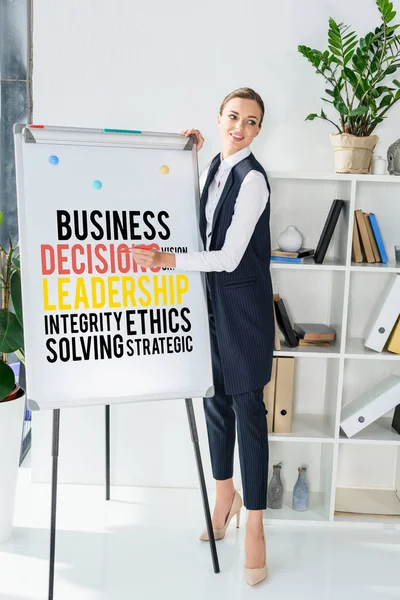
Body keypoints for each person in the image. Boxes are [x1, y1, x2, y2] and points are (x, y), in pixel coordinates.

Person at [133, 88, 274, 587]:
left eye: (250, 122)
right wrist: (190, 154)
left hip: (244, 314)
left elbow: (229, 256)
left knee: (249, 413)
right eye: (233, 117)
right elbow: (198, 222)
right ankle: (223, 496)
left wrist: (168, 261)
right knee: (214, 401)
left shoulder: (253, 180)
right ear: (219, 119)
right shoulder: (215, 166)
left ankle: (255, 524)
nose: (239, 127)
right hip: (208, 308)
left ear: (259, 130)